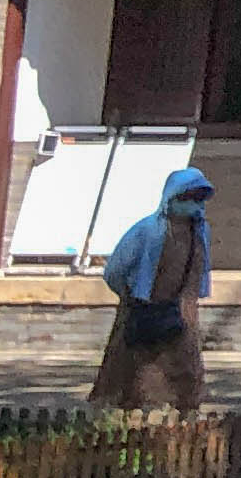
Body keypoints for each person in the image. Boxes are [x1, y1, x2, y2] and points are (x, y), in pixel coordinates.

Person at [89, 167, 212, 412]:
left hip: (180, 314)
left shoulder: (199, 232)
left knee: (184, 373)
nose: (193, 205)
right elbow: (114, 270)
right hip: (142, 311)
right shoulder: (147, 231)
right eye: (187, 197)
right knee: (135, 372)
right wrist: (130, 297)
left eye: (199, 198)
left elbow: (198, 273)